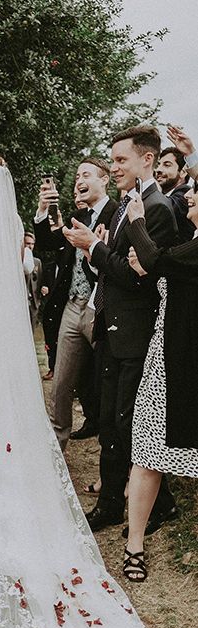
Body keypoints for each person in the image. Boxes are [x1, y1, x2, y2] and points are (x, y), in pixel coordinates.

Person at [0, 155, 165, 628]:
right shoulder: (9, 221)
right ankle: (9, 474)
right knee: (4, 406)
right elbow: (15, 277)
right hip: (2, 325)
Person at [63, 125, 178, 534]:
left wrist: (92, 249)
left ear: (146, 159)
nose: (113, 168)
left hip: (135, 331)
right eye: (111, 161)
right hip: (111, 328)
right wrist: (95, 250)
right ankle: (123, 500)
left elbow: (139, 277)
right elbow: (114, 266)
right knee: (111, 419)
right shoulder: (123, 206)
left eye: (120, 160)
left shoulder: (157, 208)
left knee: (126, 422)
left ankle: (135, 504)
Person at [121, 155, 198, 582]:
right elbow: (165, 266)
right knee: (148, 451)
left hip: (183, 359)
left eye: (195, 193)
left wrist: (136, 219)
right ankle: (135, 543)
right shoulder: (193, 238)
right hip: (167, 351)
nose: (188, 195)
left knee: (155, 449)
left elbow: (160, 260)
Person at [34, 159, 117, 449]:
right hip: (71, 305)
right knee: (61, 381)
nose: (79, 180)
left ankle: (110, 446)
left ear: (104, 179)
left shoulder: (116, 213)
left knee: (107, 380)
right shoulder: (76, 215)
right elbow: (48, 243)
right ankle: (57, 442)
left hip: (101, 306)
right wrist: (43, 210)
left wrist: (93, 246)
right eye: (77, 175)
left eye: (86, 175)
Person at [155, 146, 191, 241]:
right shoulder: (166, 195)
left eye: (167, 165)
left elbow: (163, 210)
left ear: (183, 172)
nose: (158, 170)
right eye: (158, 165)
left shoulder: (186, 194)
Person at [22, 231, 43, 330]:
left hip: (34, 302)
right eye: (27, 243)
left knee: (32, 329)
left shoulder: (37, 262)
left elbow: (40, 280)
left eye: (32, 244)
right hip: (21, 301)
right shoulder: (17, 261)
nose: (30, 246)